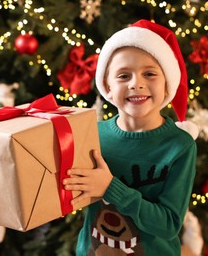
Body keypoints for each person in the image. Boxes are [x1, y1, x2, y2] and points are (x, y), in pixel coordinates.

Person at [63, 19, 198, 255]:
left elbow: (169, 225)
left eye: (149, 73)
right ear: (107, 86)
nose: (137, 84)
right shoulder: (93, 134)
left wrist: (109, 187)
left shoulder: (179, 147)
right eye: (124, 76)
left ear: (167, 85)